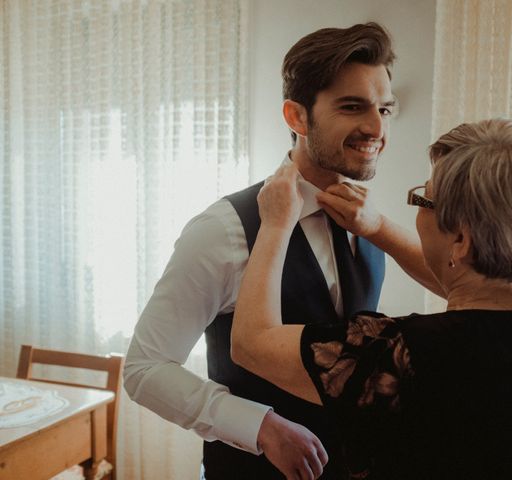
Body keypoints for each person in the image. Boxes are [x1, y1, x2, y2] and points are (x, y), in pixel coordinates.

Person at [231, 118, 512, 479]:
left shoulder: (407, 354)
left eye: (425, 199)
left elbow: (251, 343)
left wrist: (275, 224)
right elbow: (472, 279)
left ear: (461, 241)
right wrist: (378, 228)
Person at [124, 22, 397, 480]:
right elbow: (144, 368)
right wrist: (262, 427)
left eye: (385, 110)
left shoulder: (367, 221)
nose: (376, 127)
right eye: (353, 107)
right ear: (297, 117)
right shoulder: (223, 229)